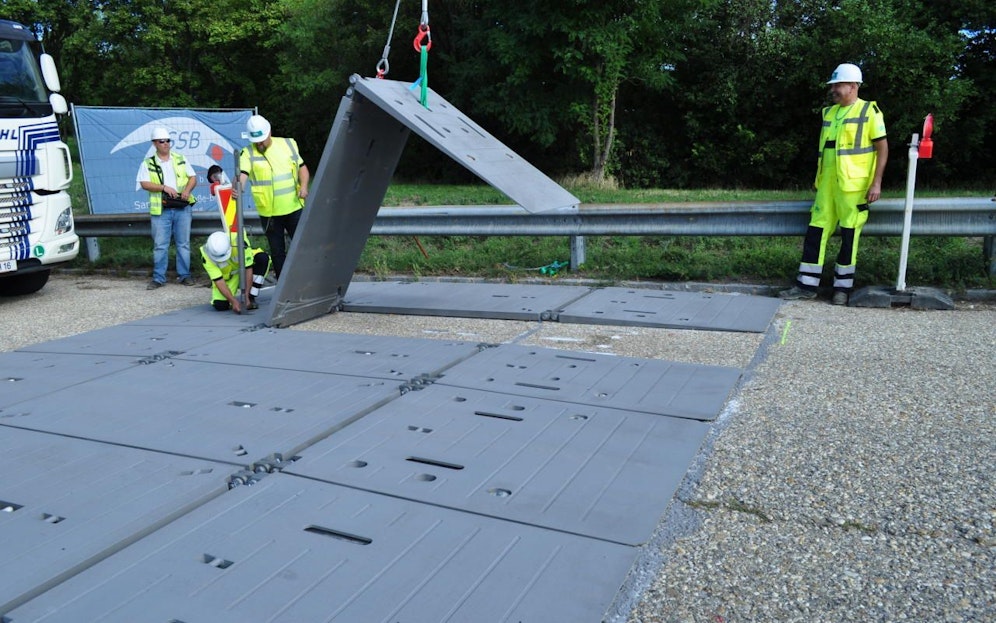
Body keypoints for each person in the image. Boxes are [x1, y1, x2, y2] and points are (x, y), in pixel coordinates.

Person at [780, 63, 888, 305]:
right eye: (833, 85)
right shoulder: (829, 113)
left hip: (854, 186)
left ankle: (842, 288)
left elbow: (882, 148)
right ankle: (806, 285)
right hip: (827, 185)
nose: (834, 89)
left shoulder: (869, 111)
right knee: (816, 230)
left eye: (838, 85)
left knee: (850, 234)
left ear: (853, 86)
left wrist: (876, 182)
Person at [238, 114, 309, 279]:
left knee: (303, 246)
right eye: (256, 141)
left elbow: (302, 168)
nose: (259, 144)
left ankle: (306, 278)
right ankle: (283, 285)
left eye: (262, 140)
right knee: (277, 252)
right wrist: (238, 187)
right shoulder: (247, 152)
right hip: (269, 213)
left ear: (269, 132)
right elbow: (243, 174)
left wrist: (304, 186)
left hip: (294, 207)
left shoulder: (288, 144)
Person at [137, 127, 198, 290]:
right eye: (161, 141)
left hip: (182, 207)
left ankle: (185, 275)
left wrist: (186, 191)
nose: (165, 144)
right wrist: (164, 187)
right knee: (160, 245)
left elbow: (193, 177)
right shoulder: (148, 163)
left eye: (167, 141)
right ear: (154, 143)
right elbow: (144, 183)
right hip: (161, 210)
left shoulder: (180, 158)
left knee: (183, 243)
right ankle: (158, 278)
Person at [201, 231, 269, 313]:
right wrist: (233, 301)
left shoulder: (239, 241)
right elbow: (218, 280)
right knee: (220, 305)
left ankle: (251, 297)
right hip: (230, 278)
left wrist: (246, 296)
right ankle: (235, 300)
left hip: (244, 271)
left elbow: (248, 268)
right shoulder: (206, 256)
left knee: (262, 258)